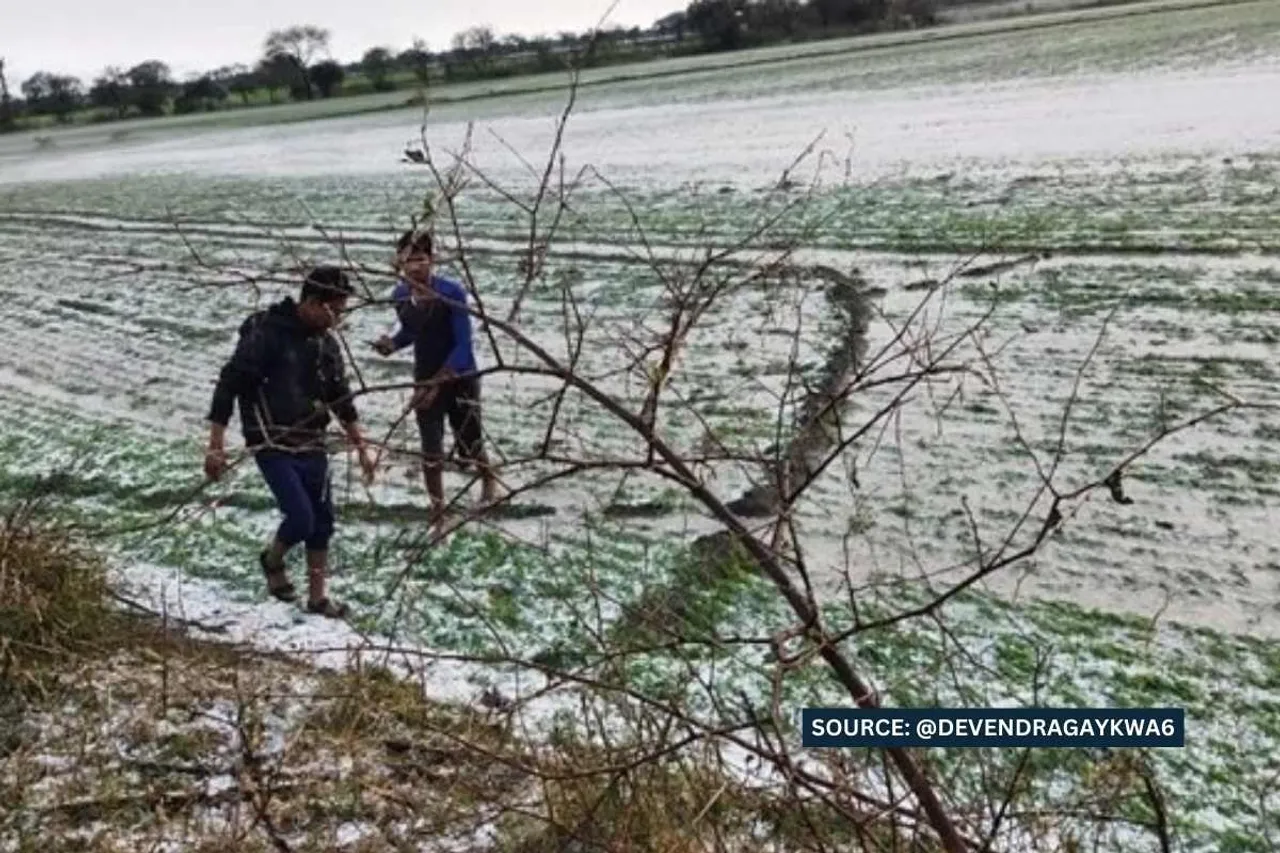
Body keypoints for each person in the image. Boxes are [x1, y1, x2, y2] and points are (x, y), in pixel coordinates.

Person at [203, 265, 376, 619]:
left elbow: (340, 395)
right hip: (272, 441)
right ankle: (273, 558)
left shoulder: (326, 344)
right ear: (313, 303)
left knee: (323, 521)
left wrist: (361, 445)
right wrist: (216, 445)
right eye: (334, 311)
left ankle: (317, 598)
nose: (337, 320)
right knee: (300, 517)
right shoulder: (266, 335)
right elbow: (228, 384)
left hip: (312, 439)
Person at [373, 229, 500, 531]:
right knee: (431, 451)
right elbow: (411, 333)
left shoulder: (451, 293)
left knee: (469, 442)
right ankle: (438, 513)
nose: (414, 267)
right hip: (425, 374)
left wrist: (437, 382)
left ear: (432, 260)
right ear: (399, 264)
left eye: (420, 259)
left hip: (460, 375)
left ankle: (489, 476)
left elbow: (464, 345)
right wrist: (392, 344)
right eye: (407, 261)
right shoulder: (400, 295)